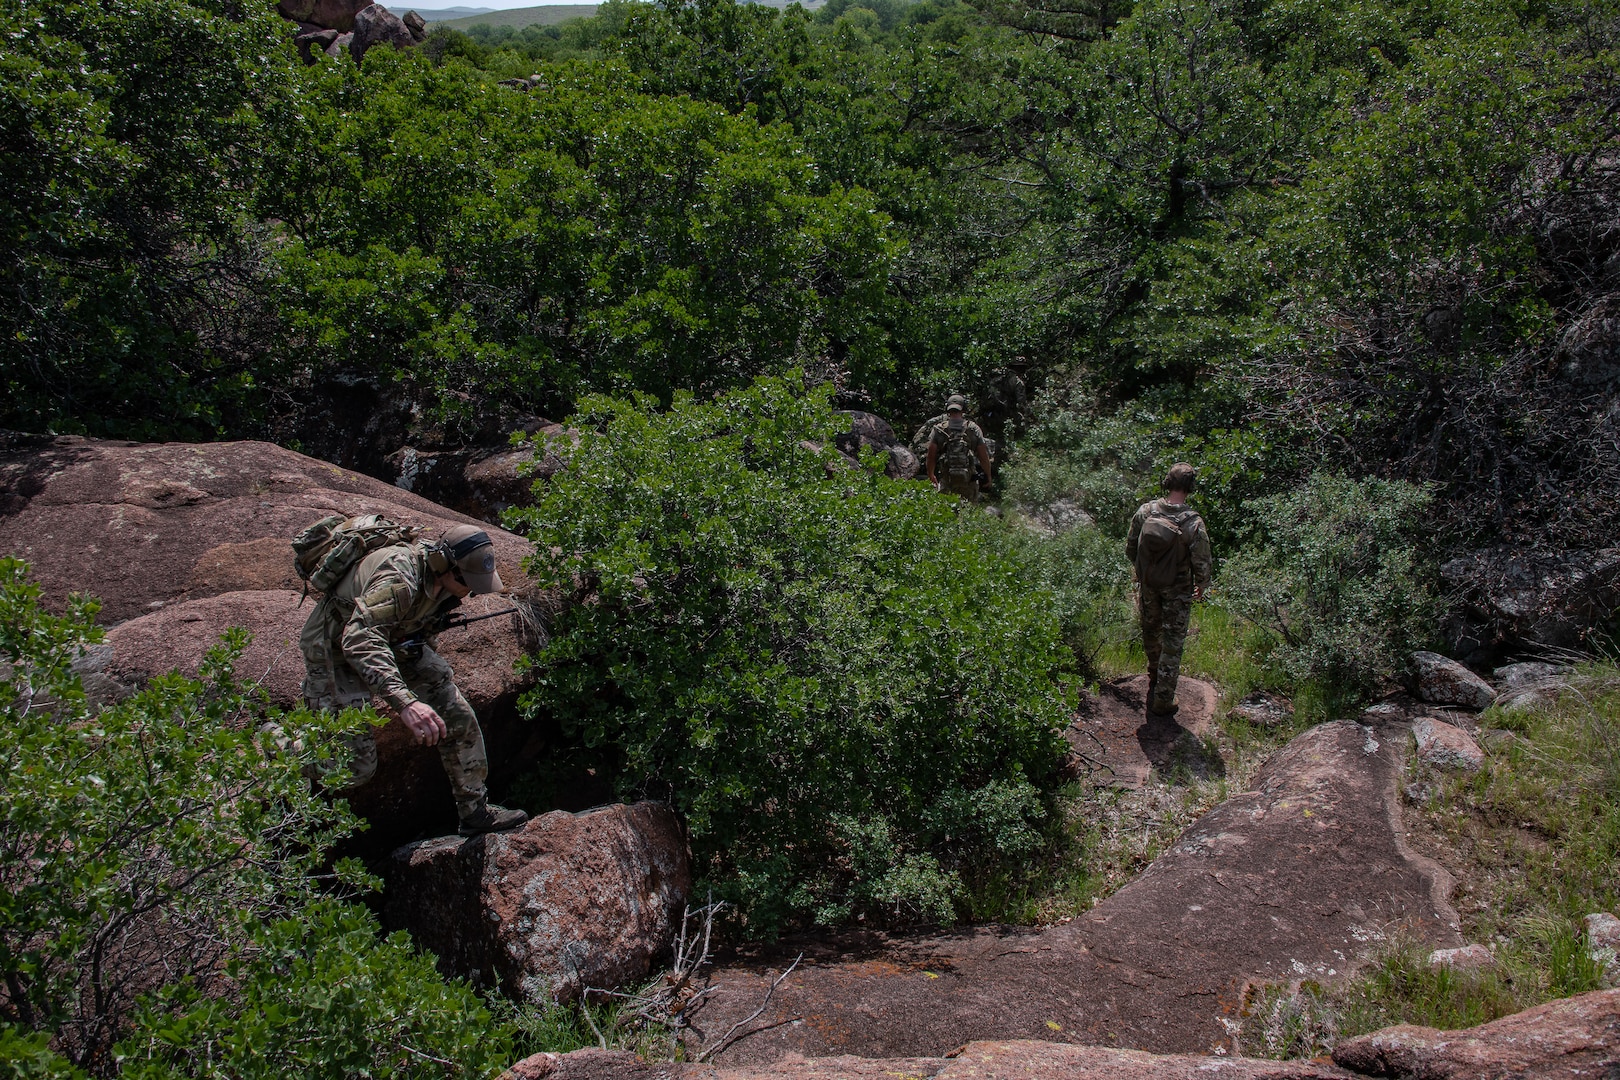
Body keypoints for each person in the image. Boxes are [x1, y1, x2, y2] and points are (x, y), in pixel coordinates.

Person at [299, 523, 529, 837]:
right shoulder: (401, 578)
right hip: (334, 650)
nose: (471, 591)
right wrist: (407, 703)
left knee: (456, 713)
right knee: (353, 766)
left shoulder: (443, 585)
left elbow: (413, 624)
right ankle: (280, 747)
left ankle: (474, 812)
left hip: (395, 640)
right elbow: (359, 638)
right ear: (443, 564)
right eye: (467, 581)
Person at [1125, 463, 1213, 719]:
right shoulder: (1192, 522)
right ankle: (1163, 698)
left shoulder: (1145, 511)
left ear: (1166, 482)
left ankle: (1154, 675)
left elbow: (1131, 548)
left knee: (1151, 630)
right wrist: (1202, 584)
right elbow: (1202, 562)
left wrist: (1145, 572)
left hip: (1149, 585)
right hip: (1177, 589)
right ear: (1190, 488)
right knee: (1173, 641)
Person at [926, 395, 995, 503]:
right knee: (969, 512)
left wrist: (931, 474)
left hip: (947, 479)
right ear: (964, 409)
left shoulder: (939, 429)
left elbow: (931, 456)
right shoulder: (973, 428)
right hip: (968, 480)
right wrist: (988, 475)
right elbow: (983, 456)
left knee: (946, 511)